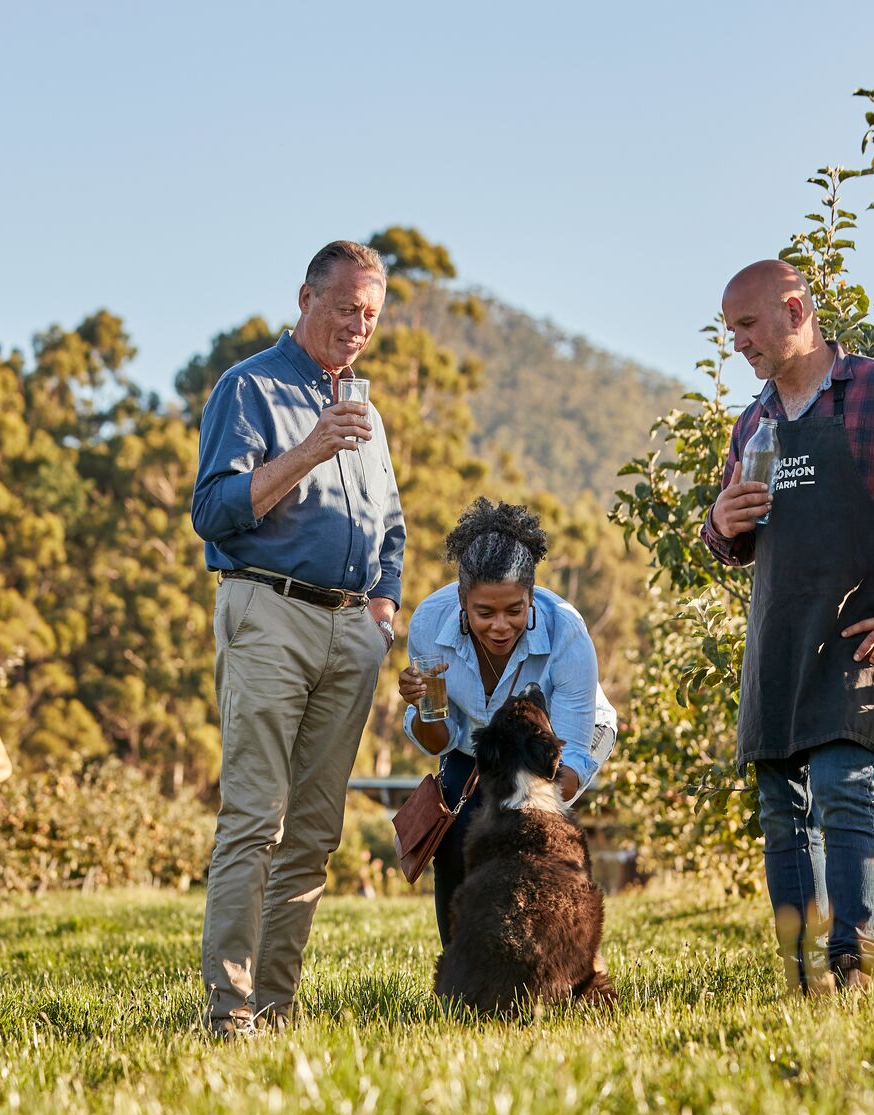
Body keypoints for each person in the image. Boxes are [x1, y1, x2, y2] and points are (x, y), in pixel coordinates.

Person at [702, 259, 874, 995]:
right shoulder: (753, 422)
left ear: (795, 310)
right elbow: (732, 542)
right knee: (781, 804)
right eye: (731, 332)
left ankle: (854, 961)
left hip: (861, 628)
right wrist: (719, 524)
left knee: (843, 785)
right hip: (778, 633)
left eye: (749, 325)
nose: (739, 343)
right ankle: (801, 970)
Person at [191, 240, 406, 1037]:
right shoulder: (247, 387)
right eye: (346, 307)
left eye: (371, 315)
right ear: (306, 298)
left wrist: (381, 614)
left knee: (315, 833)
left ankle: (276, 1009)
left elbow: (391, 525)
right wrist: (311, 448)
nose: (358, 325)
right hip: (268, 612)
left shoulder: (369, 409)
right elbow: (213, 513)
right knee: (256, 818)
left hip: (351, 628)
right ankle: (229, 1009)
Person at [398, 500, 616, 945]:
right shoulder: (428, 624)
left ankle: (542, 959)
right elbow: (441, 740)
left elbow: (567, 759)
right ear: (462, 601)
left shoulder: (567, 634)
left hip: (558, 740)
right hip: (480, 743)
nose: (501, 626)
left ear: (531, 597)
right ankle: (462, 969)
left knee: (532, 843)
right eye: (485, 613)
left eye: (514, 611)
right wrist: (422, 705)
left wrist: (514, 811)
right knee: (458, 839)